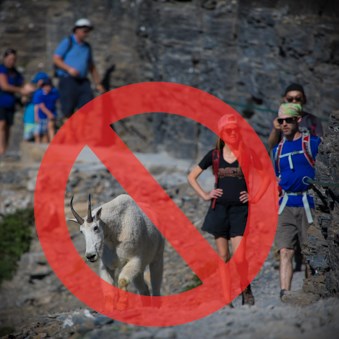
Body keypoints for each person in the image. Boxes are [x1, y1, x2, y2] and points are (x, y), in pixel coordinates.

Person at [187, 114, 255, 306]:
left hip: (240, 211)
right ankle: (226, 297)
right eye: (228, 130)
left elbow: (265, 177)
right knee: (223, 256)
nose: (232, 133)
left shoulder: (246, 153)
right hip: (219, 210)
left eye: (235, 130)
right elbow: (192, 177)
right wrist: (205, 194)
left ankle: (245, 289)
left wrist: (254, 196)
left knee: (240, 257)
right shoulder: (214, 155)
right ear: (222, 133)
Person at [272, 103, 321, 301]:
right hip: (286, 205)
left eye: (288, 120)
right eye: (280, 121)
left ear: (298, 120)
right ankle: (285, 294)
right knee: (285, 250)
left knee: (310, 251)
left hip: (309, 203)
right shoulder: (277, 150)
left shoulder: (313, 143)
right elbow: (277, 177)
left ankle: (312, 290)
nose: (284, 124)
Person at [53, 18, 105, 120]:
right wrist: (69, 69)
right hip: (68, 80)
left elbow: (91, 66)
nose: (86, 33)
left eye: (88, 31)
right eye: (84, 31)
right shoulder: (68, 42)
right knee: (68, 110)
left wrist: (98, 83)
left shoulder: (87, 47)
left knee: (87, 107)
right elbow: (56, 58)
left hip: (82, 81)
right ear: (77, 30)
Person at [268, 83, 323, 151]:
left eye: (298, 98)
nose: (294, 101)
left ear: (304, 99)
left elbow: (320, 144)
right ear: (284, 99)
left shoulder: (313, 120)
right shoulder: (278, 119)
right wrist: (275, 130)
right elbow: (271, 146)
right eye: (290, 99)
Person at [0, 48, 32, 155]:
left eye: (13, 59)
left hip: (10, 103)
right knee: (2, 124)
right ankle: (1, 149)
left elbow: (23, 84)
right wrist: (21, 90)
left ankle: (5, 149)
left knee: (8, 126)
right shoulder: (2, 69)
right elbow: (4, 86)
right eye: (9, 59)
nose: (11, 61)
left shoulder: (16, 73)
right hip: (1, 101)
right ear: (5, 58)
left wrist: (26, 92)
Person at [23, 72, 50, 142]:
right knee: (27, 138)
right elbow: (24, 95)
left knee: (41, 135)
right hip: (29, 120)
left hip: (39, 119)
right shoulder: (34, 92)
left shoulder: (45, 92)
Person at [33, 78, 59, 143]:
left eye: (49, 86)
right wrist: (48, 114)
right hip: (42, 115)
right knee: (41, 133)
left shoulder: (54, 93)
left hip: (52, 113)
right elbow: (41, 106)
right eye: (46, 86)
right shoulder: (39, 94)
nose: (48, 87)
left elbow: (57, 102)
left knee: (51, 127)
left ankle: (52, 143)